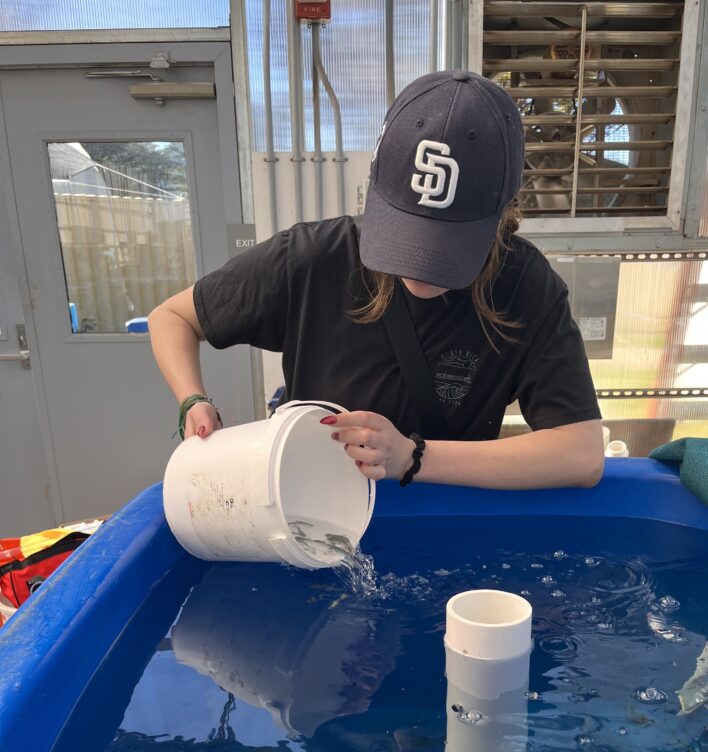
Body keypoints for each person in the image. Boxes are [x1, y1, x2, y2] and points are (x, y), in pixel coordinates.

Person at [149, 70, 604, 491]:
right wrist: (193, 400)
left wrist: (412, 456)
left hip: (446, 514)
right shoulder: (313, 257)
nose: (420, 265)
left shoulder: (524, 284)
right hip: (314, 504)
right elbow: (171, 317)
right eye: (409, 231)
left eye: (449, 243)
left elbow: (581, 454)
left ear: (503, 213)